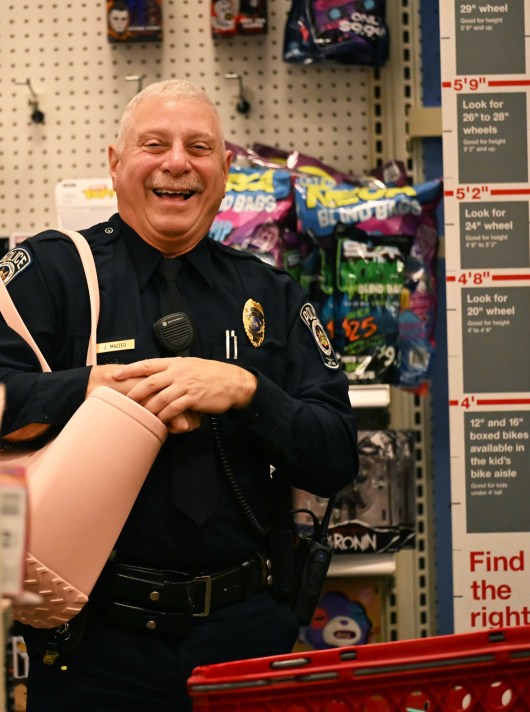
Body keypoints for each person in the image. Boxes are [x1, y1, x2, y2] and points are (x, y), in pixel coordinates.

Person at [1, 79, 358, 711]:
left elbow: (335, 457)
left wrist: (249, 392)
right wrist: (91, 388)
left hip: (247, 632)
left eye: (198, 147)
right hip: (92, 643)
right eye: (154, 144)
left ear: (223, 171)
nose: (176, 162)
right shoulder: (49, 275)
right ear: (115, 163)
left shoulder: (273, 295)